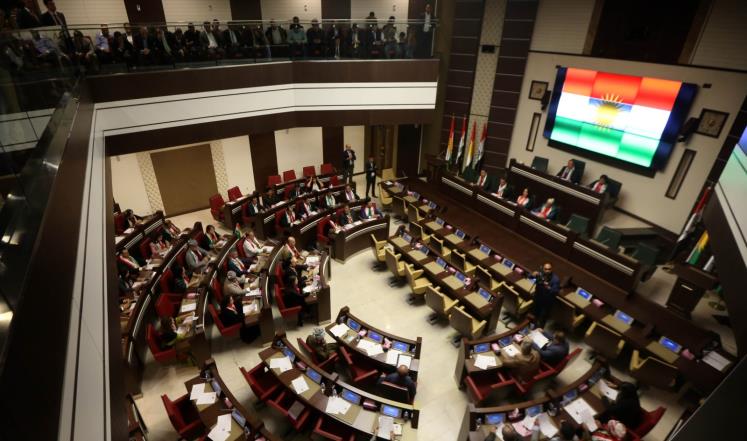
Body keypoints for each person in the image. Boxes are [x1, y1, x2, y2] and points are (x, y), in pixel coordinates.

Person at [531, 262, 560, 327]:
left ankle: (540, 329)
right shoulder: (540, 274)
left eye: (549, 269)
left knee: (543, 318)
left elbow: (555, 291)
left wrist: (548, 287)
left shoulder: (555, 279)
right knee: (535, 314)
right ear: (543, 269)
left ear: (552, 269)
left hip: (546, 302)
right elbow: (530, 276)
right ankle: (533, 326)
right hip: (537, 298)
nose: (547, 271)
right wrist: (533, 275)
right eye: (545, 269)